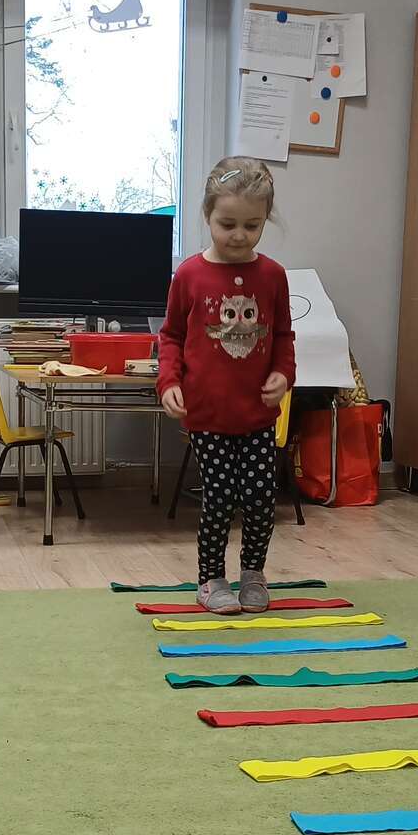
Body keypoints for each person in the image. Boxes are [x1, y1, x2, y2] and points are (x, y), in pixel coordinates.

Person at [157, 157, 295, 615]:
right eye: (227, 224)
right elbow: (171, 336)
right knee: (218, 498)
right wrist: (168, 381)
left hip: (257, 415)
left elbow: (282, 337)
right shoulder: (189, 275)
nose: (239, 235)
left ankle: (253, 574)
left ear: (265, 219)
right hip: (208, 415)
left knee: (260, 498)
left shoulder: (273, 276)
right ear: (207, 215)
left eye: (252, 226)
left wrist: (283, 375)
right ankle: (210, 578)